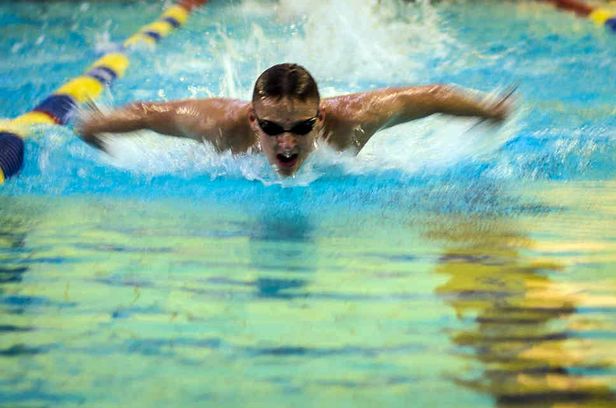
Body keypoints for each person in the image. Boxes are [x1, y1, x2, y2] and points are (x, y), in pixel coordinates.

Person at [78, 63, 512, 177]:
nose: (287, 142)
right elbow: (148, 114)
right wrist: (94, 127)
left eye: (302, 127)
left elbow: (432, 96)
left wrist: (490, 111)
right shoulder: (221, 127)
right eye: (272, 128)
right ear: (253, 120)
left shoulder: (352, 122)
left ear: (319, 118)